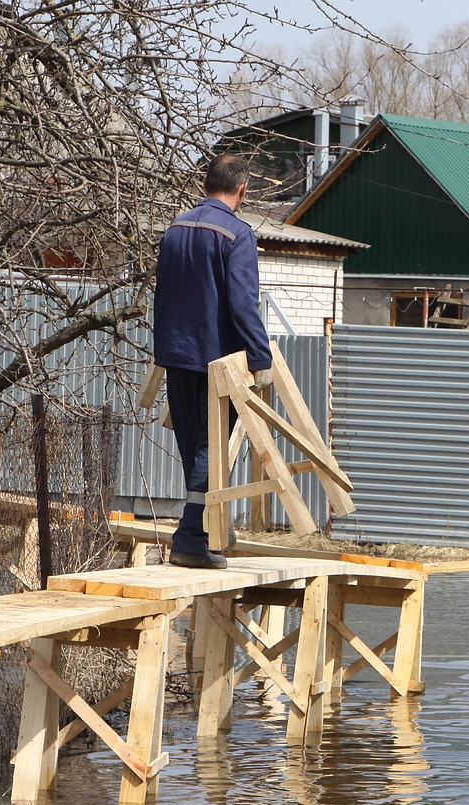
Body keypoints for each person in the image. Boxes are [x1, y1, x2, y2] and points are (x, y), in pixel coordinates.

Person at [153, 153, 272, 569]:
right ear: (242, 189)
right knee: (213, 447)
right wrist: (260, 356)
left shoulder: (175, 227)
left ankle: (207, 526)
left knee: (195, 446)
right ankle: (191, 537)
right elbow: (243, 303)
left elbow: (163, 292)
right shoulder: (237, 234)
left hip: (175, 353)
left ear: (207, 184)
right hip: (216, 359)